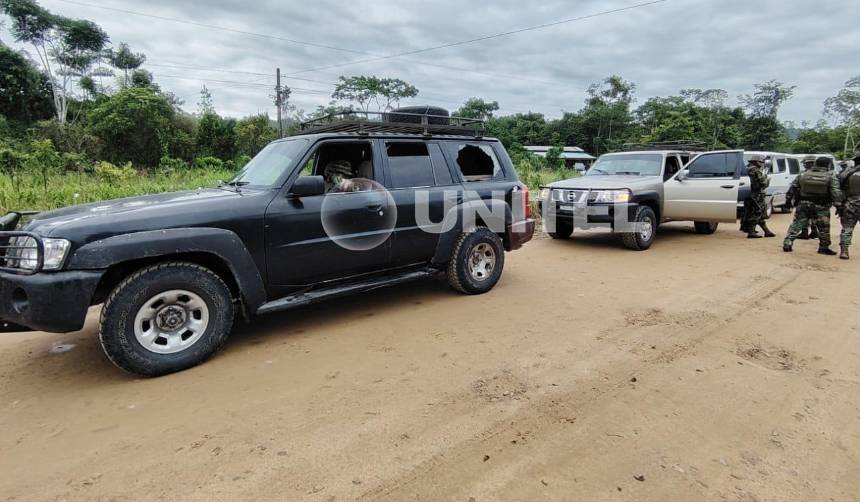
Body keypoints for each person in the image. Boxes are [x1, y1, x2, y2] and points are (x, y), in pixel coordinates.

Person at [783, 156, 844, 254]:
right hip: (821, 205)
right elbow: (835, 192)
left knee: (797, 224)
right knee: (823, 227)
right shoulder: (831, 176)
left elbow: (792, 188)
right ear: (828, 165)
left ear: (816, 164)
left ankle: (788, 242)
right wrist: (839, 205)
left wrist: (788, 201)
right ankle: (823, 248)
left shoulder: (803, 174)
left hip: (803, 204)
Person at [742, 155, 775, 238]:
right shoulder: (755, 170)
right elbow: (763, 183)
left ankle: (766, 231)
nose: (762, 164)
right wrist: (767, 179)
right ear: (756, 162)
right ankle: (751, 232)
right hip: (756, 194)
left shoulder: (747, 169)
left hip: (750, 194)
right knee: (757, 212)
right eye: (761, 162)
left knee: (753, 212)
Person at [837, 157, 860, 259]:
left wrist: (840, 205)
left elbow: (840, 190)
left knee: (847, 228)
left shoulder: (846, 174)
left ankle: (844, 251)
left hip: (850, 204)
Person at [797, 156, 819, 240]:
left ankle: (804, 233)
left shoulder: (803, 174)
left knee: (803, 216)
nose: (804, 165)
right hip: (818, 200)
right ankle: (814, 232)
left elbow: (796, 186)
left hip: (805, 199)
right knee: (814, 216)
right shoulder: (822, 173)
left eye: (805, 163)